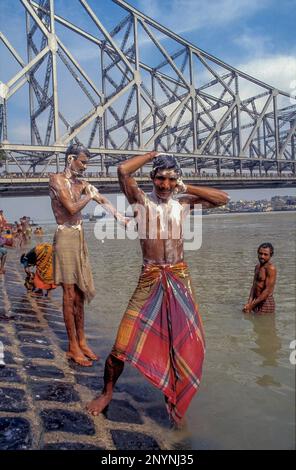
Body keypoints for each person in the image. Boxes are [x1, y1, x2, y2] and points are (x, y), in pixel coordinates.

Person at [86, 151, 229, 425]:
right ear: (152, 178)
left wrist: (184, 186)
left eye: (170, 180)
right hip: (149, 277)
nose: (165, 185)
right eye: (160, 178)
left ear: (177, 181)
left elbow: (223, 199)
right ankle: (107, 393)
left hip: (179, 277)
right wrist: (153, 154)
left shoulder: (184, 203)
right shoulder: (141, 201)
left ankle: (174, 399)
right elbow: (122, 171)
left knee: (183, 345)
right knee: (120, 346)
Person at [49, 143, 127, 367]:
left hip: (80, 236)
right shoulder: (56, 180)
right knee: (69, 293)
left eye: (86, 163)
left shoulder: (81, 184)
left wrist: (120, 217)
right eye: (82, 162)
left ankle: (82, 341)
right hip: (65, 236)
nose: (84, 166)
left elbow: (102, 199)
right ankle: (72, 346)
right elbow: (71, 209)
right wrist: (89, 196)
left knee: (81, 293)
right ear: (71, 158)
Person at [243, 242, 277, 314]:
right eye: (260, 253)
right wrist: (249, 303)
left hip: (266, 302)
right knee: (254, 322)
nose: (262, 256)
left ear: (271, 255)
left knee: (264, 324)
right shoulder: (257, 267)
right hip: (256, 300)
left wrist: (251, 305)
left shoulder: (271, 268)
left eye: (265, 254)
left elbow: (267, 291)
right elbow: (254, 286)